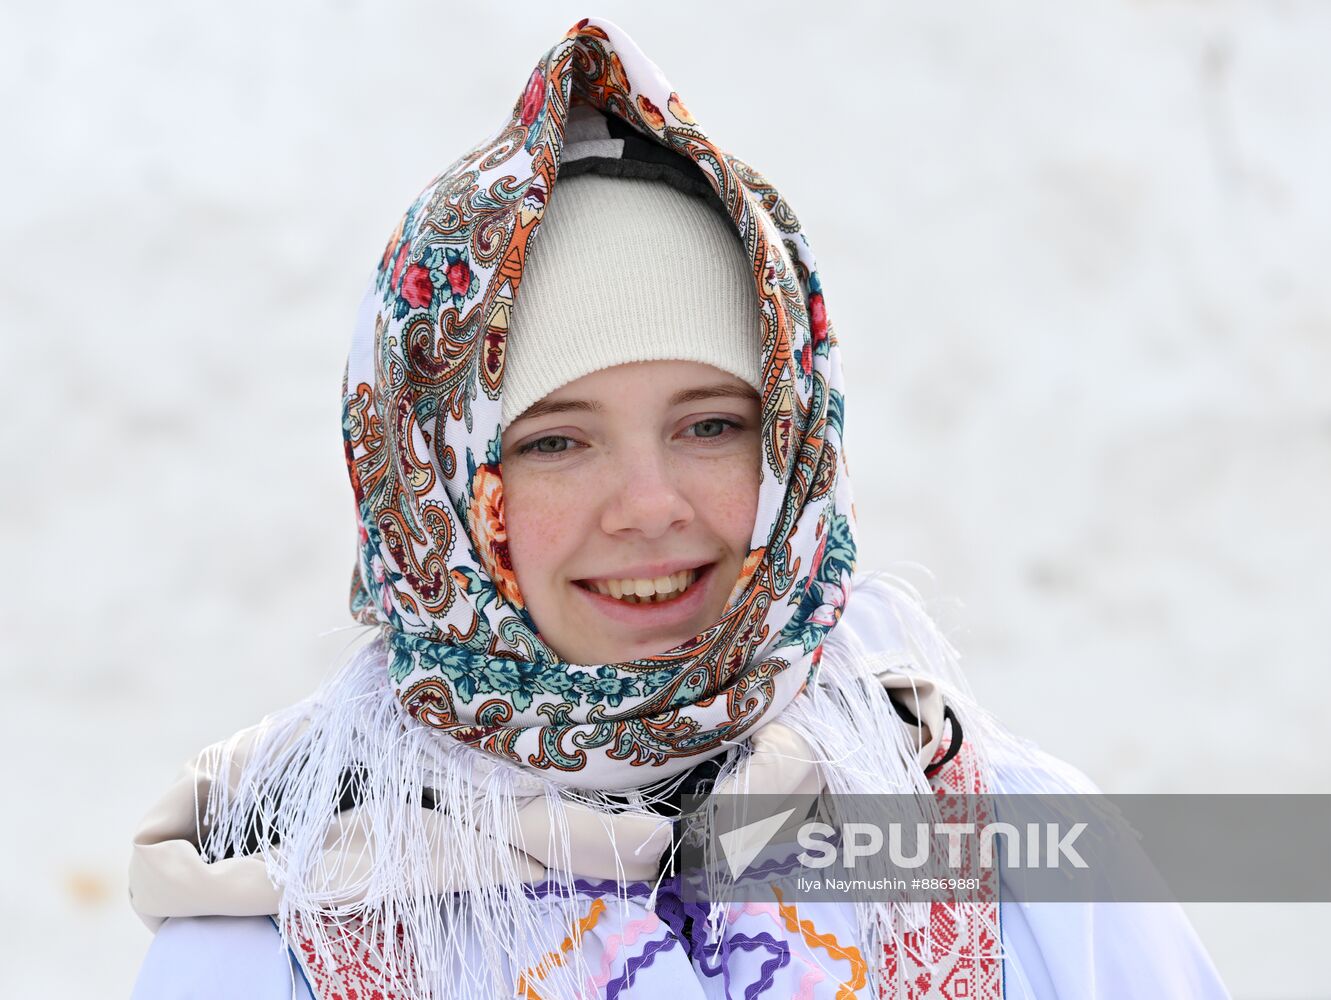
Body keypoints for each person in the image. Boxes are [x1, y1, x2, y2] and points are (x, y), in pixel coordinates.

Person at [127, 16, 1229, 999]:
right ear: (436, 501)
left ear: (794, 450)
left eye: (709, 425)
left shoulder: (1019, 869)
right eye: (555, 443)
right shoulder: (285, 923)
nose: (649, 507)